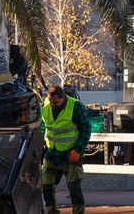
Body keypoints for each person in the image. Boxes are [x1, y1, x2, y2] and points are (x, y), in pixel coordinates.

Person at [40, 85, 91, 214]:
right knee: (46, 186)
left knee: (74, 188)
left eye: (56, 102)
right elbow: (43, 125)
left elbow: (86, 129)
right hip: (52, 153)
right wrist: (42, 143)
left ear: (63, 98)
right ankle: (51, 211)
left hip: (70, 153)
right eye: (51, 101)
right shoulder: (46, 106)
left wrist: (78, 150)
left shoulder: (76, 107)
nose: (53, 104)